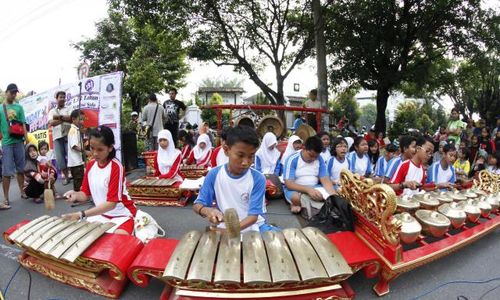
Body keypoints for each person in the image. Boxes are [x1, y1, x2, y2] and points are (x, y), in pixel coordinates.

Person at [192, 126, 270, 233]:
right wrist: (207, 210)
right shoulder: (214, 175)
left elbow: (253, 217)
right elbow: (198, 204)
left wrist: (229, 231)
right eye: (240, 155)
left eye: (251, 156)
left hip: (254, 227)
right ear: (226, 150)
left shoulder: (258, 178)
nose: (246, 162)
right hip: (225, 226)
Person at [62, 126, 137, 235]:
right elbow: (85, 194)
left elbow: (111, 204)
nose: (95, 153)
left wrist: (81, 214)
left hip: (122, 215)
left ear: (110, 148)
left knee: (118, 241)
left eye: (100, 149)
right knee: (79, 236)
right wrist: (75, 195)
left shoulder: (116, 167)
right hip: (101, 214)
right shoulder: (91, 165)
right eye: (92, 148)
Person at [283, 136, 336, 216]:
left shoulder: (319, 159)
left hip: (315, 186)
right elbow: (289, 184)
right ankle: (296, 203)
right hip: (296, 188)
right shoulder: (292, 159)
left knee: (336, 192)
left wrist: (333, 196)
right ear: (304, 148)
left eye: (316, 156)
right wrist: (308, 190)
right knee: (295, 198)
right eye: (311, 155)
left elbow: (324, 178)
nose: (313, 159)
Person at [1, 84, 28, 210]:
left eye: (15, 93)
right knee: (6, 172)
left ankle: (22, 192)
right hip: (6, 143)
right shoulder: (1, 108)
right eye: (11, 92)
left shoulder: (19, 107)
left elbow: (23, 124)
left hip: (18, 141)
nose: (13, 95)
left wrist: (26, 139)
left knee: (21, 169)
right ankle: (6, 197)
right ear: (6, 92)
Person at [48, 91, 72, 185]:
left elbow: (71, 118)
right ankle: (66, 177)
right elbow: (51, 123)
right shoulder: (52, 111)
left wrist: (58, 118)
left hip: (68, 135)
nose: (62, 99)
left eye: (63, 97)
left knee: (71, 157)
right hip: (57, 137)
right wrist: (63, 118)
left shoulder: (69, 108)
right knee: (60, 159)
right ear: (56, 99)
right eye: (60, 97)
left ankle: (74, 176)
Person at [67, 109, 86, 192]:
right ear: (73, 119)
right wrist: (85, 151)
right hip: (75, 161)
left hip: (77, 160)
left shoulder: (77, 130)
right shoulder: (73, 130)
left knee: (80, 177)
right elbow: (74, 146)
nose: (82, 121)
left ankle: (79, 194)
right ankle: (78, 195)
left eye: (83, 119)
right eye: (80, 119)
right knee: (78, 179)